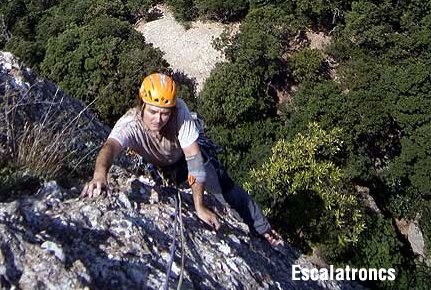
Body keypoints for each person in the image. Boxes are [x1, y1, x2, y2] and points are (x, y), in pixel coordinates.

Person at [81, 72, 282, 245]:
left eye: (164, 113)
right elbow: (110, 148)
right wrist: (100, 175)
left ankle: (262, 228)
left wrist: (199, 206)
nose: (158, 119)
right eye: (152, 111)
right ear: (141, 104)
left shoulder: (180, 112)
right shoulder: (130, 125)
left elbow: (194, 160)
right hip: (160, 167)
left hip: (184, 159)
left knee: (223, 186)